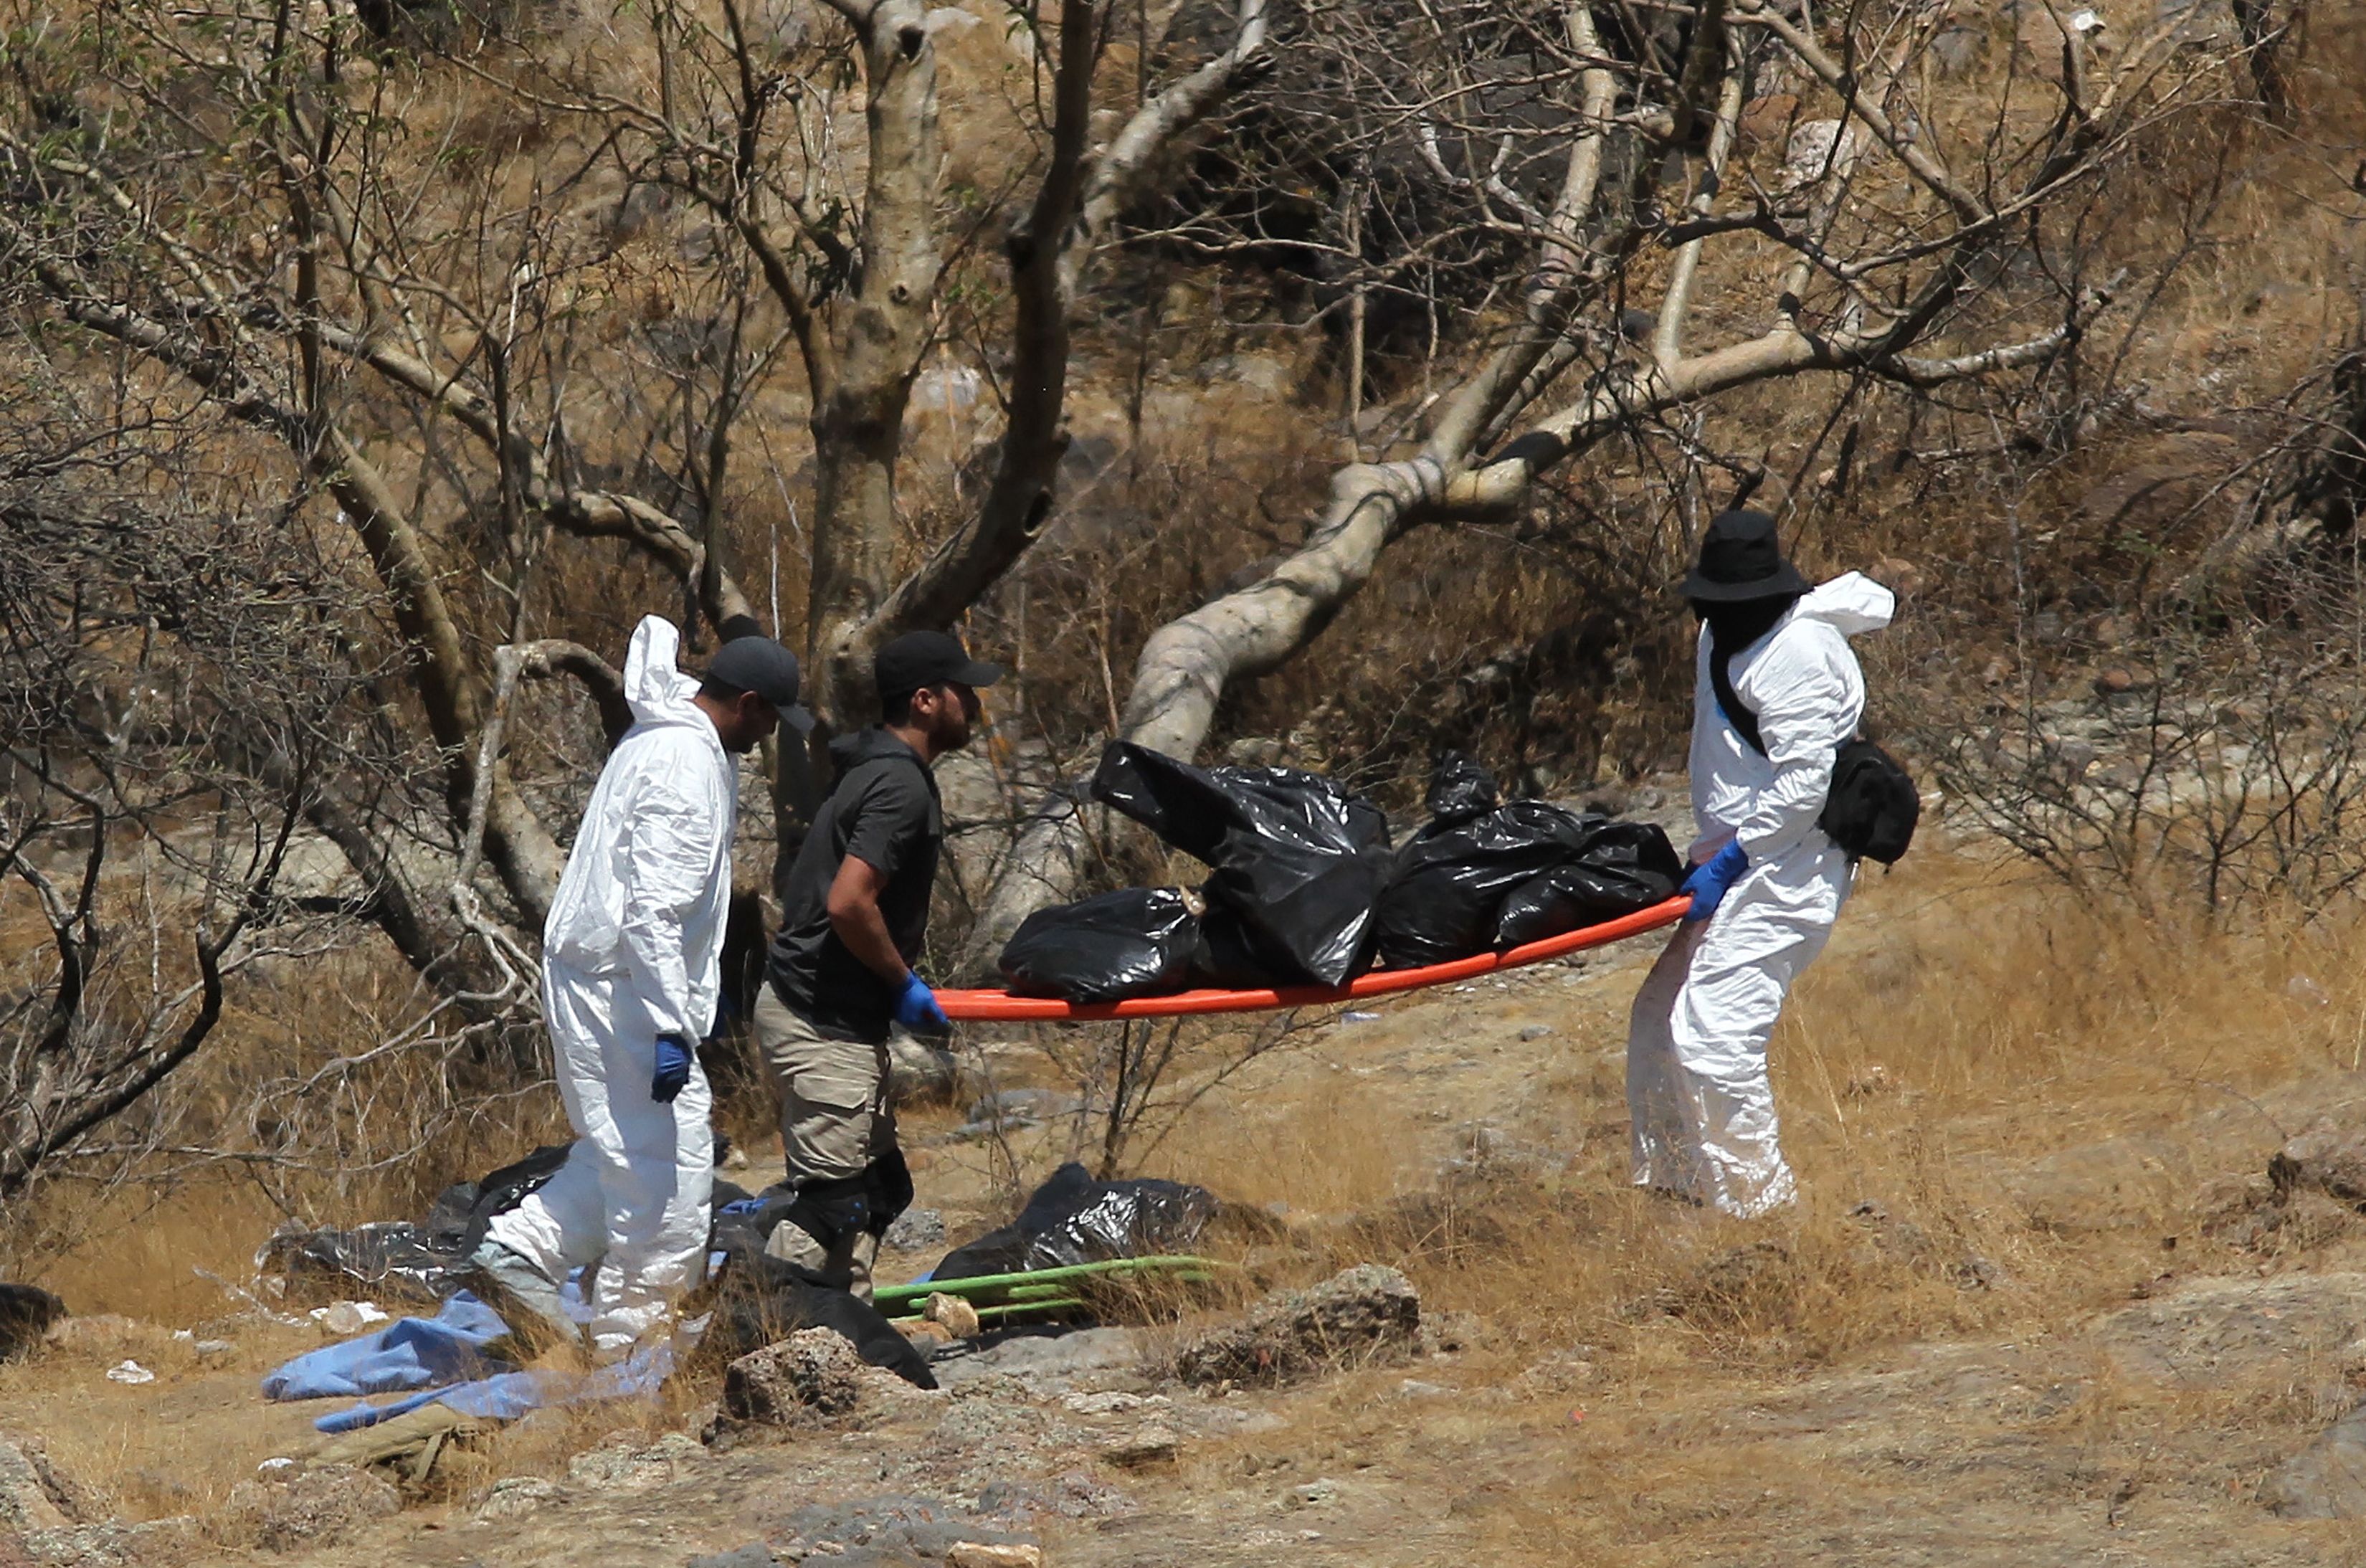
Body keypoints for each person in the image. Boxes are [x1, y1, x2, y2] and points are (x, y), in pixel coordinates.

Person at [474, 616, 812, 1355]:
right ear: (747, 701)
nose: (765, 738)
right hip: (623, 985)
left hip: (613, 976)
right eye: (768, 720)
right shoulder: (685, 766)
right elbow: (654, 908)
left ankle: (520, 1256)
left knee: (626, 1148)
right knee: (671, 1166)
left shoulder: (669, 736)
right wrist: (667, 1026)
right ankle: (636, 1345)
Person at [1625, 510, 1894, 1218]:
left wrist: (1737, 857)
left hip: (1792, 866)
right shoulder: (1721, 634)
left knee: (1715, 1035)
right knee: (1660, 1017)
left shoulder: (1799, 652)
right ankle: (1683, 1199)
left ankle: (1761, 1220)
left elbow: (1804, 783)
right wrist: (1715, 860)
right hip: (1737, 859)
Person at [754, 629, 1001, 1300]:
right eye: (963, 691)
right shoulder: (898, 785)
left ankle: (847, 1342)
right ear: (925, 701)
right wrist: (903, 984)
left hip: (832, 1018)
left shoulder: (879, 769)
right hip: (819, 1023)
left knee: (878, 1190)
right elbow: (848, 902)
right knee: (829, 1209)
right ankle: (751, 1335)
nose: (974, 704)